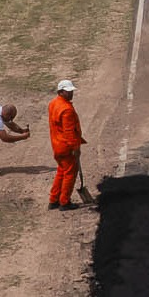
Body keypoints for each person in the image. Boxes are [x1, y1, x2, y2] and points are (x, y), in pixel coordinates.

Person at [46, 80, 86, 210]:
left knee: (61, 171)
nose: (71, 94)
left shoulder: (53, 103)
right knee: (70, 173)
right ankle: (64, 202)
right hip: (66, 147)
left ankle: (54, 200)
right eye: (68, 91)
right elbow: (69, 132)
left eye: (71, 91)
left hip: (56, 145)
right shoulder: (66, 109)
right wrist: (76, 148)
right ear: (60, 92)